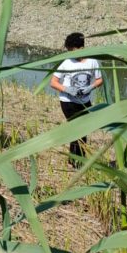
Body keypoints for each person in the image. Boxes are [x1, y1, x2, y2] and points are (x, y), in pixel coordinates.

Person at [49, 32, 103, 162]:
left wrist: (89, 88)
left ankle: (77, 158)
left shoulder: (92, 62)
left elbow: (99, 80)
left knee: (83, 130)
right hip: (68, 102)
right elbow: (53, 82)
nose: (69, 53)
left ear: (78, 47)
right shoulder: (66, 63)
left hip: (84, 101)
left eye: (70, 50)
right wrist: (67, 89)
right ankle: (76, 160)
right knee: (76, 129)